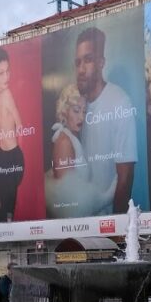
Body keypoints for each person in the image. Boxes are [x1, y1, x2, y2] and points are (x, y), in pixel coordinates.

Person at [75, 27, 137, 215]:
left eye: (88, 60)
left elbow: (125, 178)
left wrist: (117, 232)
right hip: (80, 221)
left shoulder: (119, 101)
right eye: (77, 62)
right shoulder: (76, 106)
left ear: (101, 62)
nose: (81, 69)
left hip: (107, 225)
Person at [45, 85, 108, 218]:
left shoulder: (72, 138)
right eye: (76, 110)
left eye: (84, 111)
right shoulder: (64, 142)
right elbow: (67, 202)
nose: (81, 117)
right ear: (64, 112)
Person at [0, 48, 25, 223]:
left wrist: (15, 137)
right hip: (1, 154)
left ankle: (7, 220)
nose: (7, 76)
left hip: (13, 154)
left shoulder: (7, 95)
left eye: (8, 71)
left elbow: (19, 122)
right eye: (2, 73)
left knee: (8, 193)